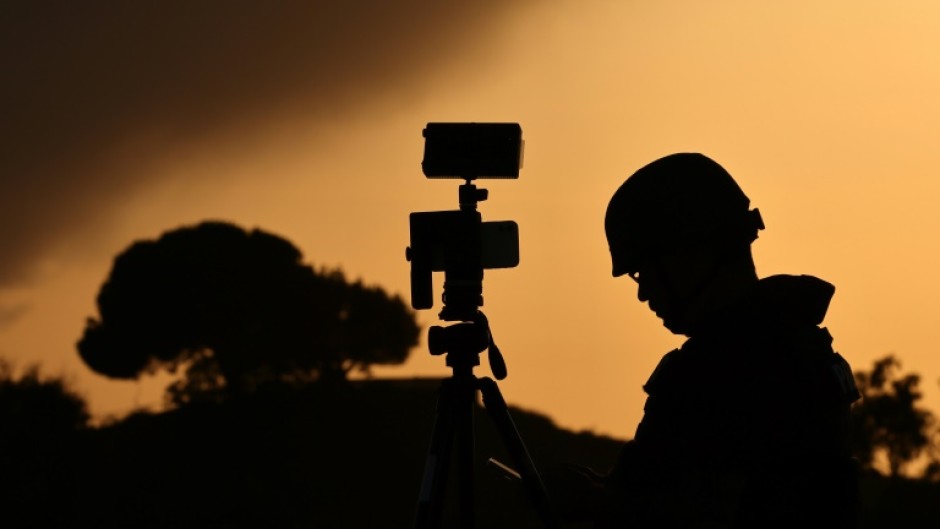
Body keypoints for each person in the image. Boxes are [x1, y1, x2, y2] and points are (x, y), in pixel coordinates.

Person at [554, 153, 860, 528]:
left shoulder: (719, 371)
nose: (643, 292)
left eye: (646, 269)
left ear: (694, 254)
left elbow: (707, 512)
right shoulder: (801, 348)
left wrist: (590, 506)